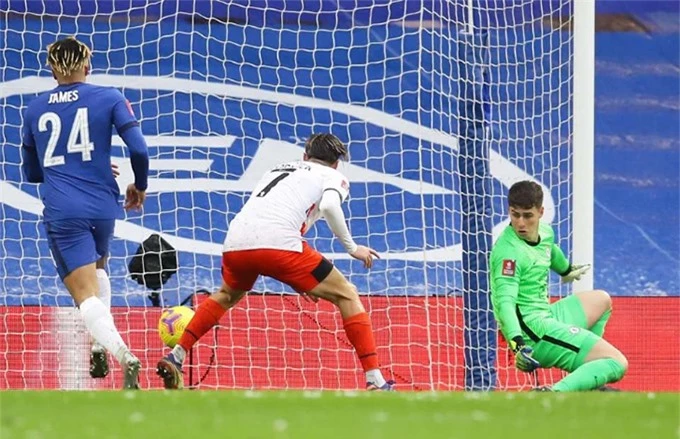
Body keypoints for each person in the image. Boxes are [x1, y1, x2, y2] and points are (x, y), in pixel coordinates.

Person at [157, 133, 394, 391]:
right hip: (280, 244)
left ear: (305, 155)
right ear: (336, 163)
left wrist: (297, 280)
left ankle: (176, 356)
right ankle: (374, 380)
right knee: (347, 294)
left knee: (226, 295)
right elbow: (329, 206)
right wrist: (352, 247)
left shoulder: (276, 169)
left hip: (236, 240)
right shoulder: (333, 176)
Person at [21, 36, 150, 389]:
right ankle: (97, 344)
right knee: (99, 267)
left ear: (51, 70)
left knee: (84, 295)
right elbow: (139, 148)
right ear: (87, 66)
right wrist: (139, 185)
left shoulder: (35, 109)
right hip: (104, 205)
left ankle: (124, 355)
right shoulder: (109, 97)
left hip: (65, 210)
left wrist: (71, 166)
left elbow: (32, 174)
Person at [490, 180, 628, 391]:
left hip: (547, 315)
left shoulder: (545, 232)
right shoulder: (508, 253)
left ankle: (586, 373)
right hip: (533, 335)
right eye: (514, 214)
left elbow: (551, 251)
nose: (520, 223)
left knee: (601, 300)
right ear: (509, 210)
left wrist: (566, 270)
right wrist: (518, 346)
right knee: (617, 362)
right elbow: (504, 304)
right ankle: (553, 394)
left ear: (541, 212)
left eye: (527, 215)